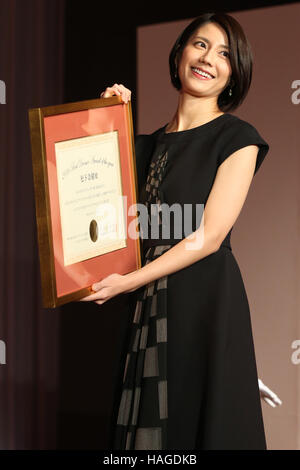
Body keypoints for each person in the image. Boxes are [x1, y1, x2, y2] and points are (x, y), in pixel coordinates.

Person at [81, 12, 271, 450]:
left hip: (204, 304)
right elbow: (100, 221)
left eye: (225, 53)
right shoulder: (141, 145)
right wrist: (102, 120)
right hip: (149, 306)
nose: (209, 58)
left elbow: (209, 235)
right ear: (181, 53)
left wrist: (129, 281)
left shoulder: (238, 138)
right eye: (200, 44)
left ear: (234, 72)